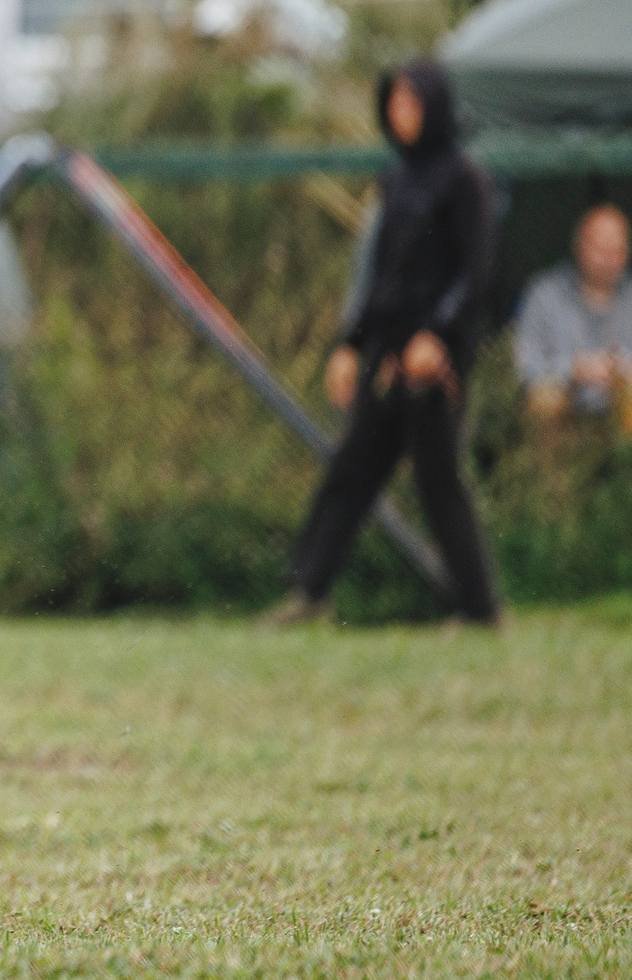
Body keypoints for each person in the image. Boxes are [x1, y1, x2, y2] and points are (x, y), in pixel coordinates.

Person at [267, 61, 502, 628]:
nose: (401, 116)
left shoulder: (466, 181)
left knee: (438, 481)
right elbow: (381, 276)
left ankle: (479, 609)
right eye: (394, 104)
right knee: (353, 471)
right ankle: (306, 593)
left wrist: (438, 337)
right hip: (386, 352)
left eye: (411, 104)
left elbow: (476, 273)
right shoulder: (395, 182)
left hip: (431, 362)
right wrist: (350, 344)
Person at [513, 202, 632, 425]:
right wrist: (576, 369)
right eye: (601, 249)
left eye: (616, 251)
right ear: (580, 246)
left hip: (621, 418)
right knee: (544, 398)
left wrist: (620, 372)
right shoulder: (544, 294)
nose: (609, 260)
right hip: (565, 413)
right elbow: (525, 365)